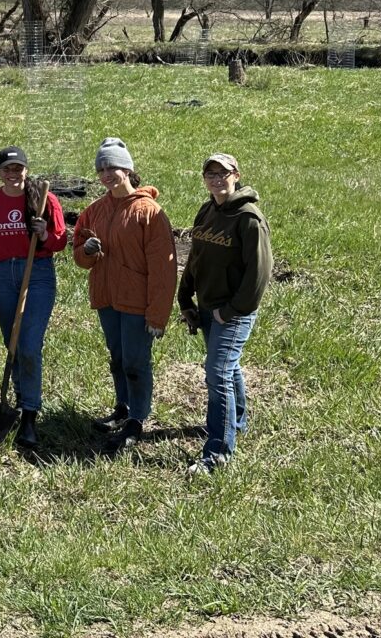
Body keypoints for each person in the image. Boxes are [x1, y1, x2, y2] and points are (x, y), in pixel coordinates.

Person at [72, 137, 177, 455]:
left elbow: (165, 271)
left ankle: (137, 419)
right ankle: (122, 407)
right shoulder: (94, 211)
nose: (106, 173)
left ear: (128, 169)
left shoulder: (149, 213)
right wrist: (87, 251)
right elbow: (79, 254)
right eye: (101, 168)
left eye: (112, 166)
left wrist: (157, 315)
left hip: (137, 303)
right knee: (117, 358)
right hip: (106, 298)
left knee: (135, 361)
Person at [178, 152, 271, 475]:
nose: (217, 179)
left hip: (231, 311)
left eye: (223, 173)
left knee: (217, 373)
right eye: (210, 174)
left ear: (236, 175)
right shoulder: (208, 210)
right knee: (228, 370)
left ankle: (217, 452)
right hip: (207, 305)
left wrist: (230, 312)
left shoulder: (248, 219)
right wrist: (184, 296)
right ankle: (238, 421)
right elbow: (196, 257)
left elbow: (259, 275)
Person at [0, 146, 67, 449]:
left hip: (36, 272)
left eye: (18, 169)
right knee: (11, 342)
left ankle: (29, 413)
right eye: (7, 170)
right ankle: (17, 397)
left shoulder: (43, 198)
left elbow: (60, 241)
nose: (13, 175)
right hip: (2, 276)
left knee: (28, 345)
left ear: (26, 170)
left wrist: (43, 235)